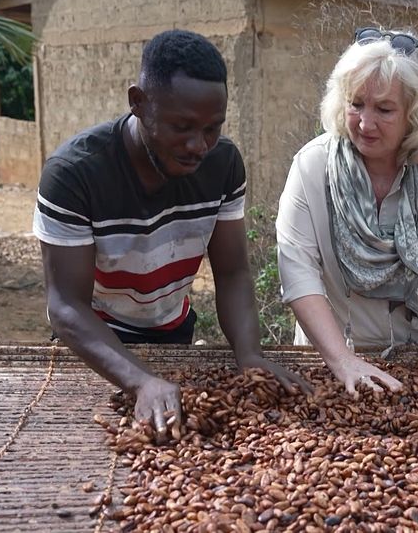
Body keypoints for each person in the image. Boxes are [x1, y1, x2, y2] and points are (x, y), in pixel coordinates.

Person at [33, 30, 310, 441]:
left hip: (173, 333)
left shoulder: (223, 165)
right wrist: (140, 381)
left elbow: (232, 272)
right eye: (182, 127)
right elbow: (66, 306)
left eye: (212, 128)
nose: (199, 145)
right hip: (95, 345)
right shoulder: (74, 175)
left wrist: (249, 356)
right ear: (139, 103)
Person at [275, 27, 418, 401]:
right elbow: (297, 272)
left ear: (414, 114)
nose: (365, 123)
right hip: (334, 368)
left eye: (384, 109)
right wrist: (341, 360)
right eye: (355, 104)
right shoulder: (310, 168)